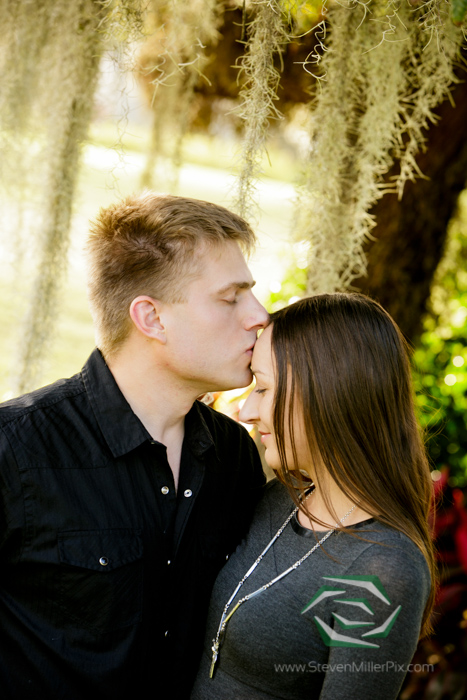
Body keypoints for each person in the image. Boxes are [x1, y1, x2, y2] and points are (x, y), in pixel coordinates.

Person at [0, 192, 269, 699]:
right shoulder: (15, 451)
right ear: (152, 318)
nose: (259, 315)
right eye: (231, 298)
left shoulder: (234, 455)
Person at [191, 293, 436, 700]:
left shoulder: (384, 569)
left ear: (328, 394)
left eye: (264, 390)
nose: (248, 410)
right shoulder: (277, 500)